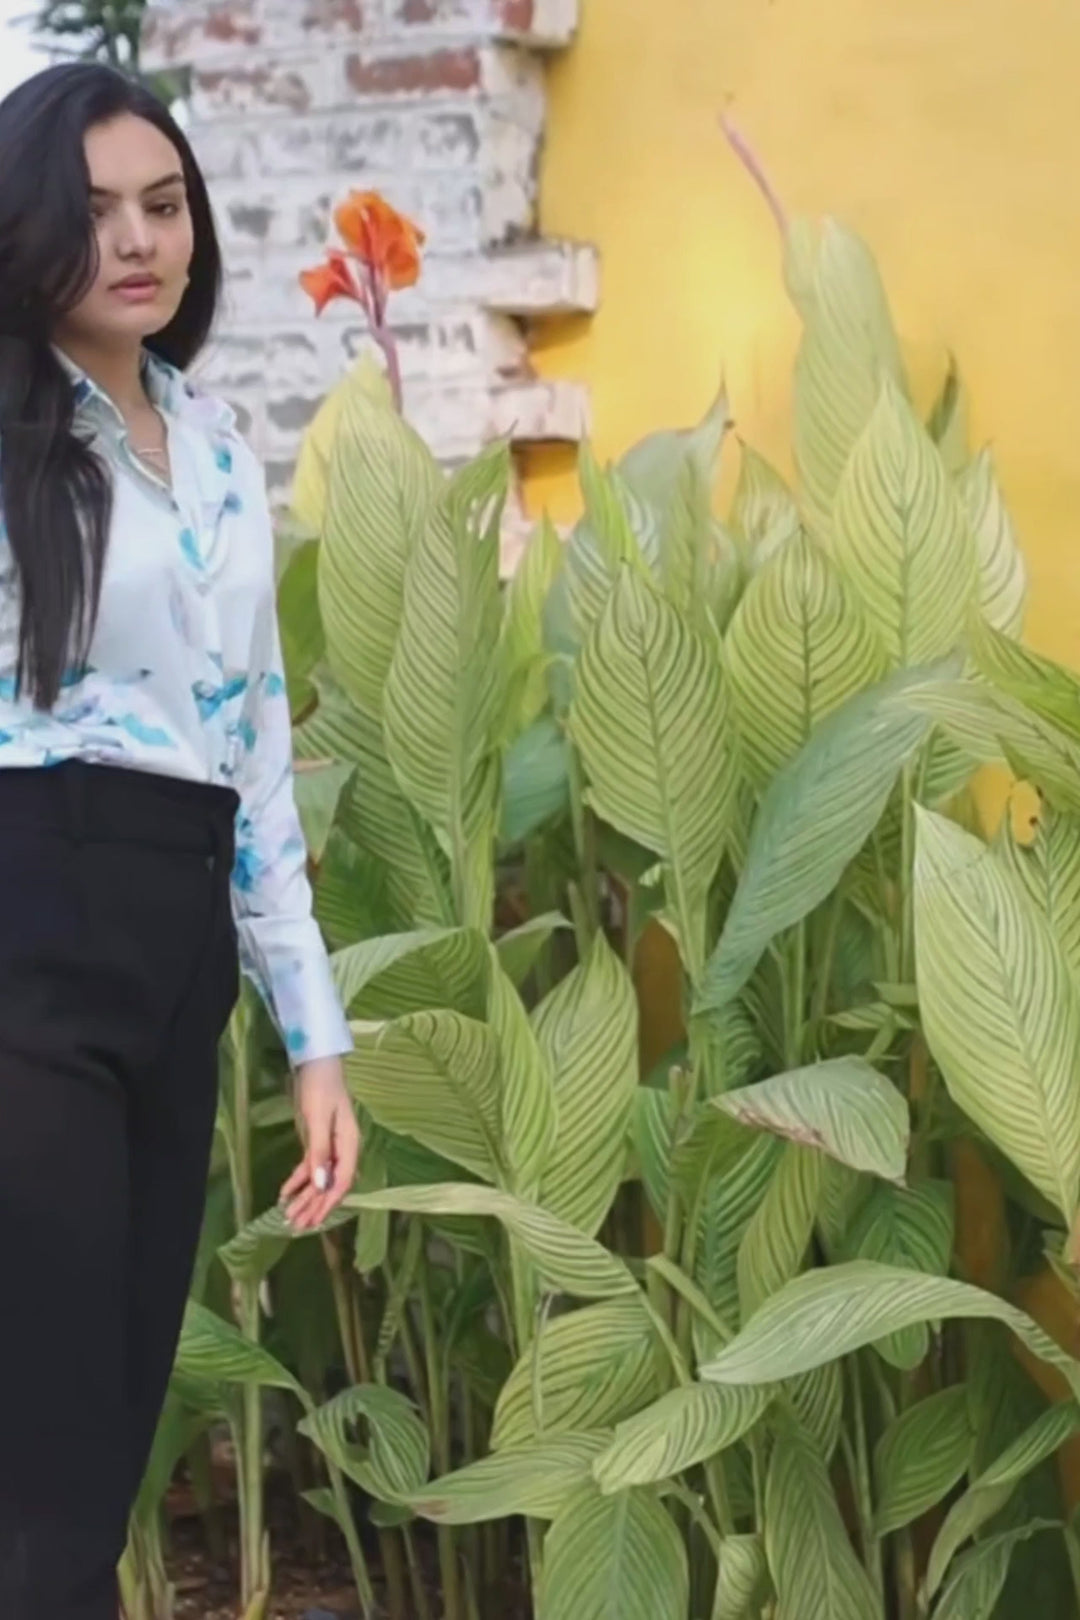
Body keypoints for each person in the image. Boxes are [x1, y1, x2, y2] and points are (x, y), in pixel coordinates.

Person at [0, 62, 361, 1619]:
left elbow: (257, 757)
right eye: (93, 215)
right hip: (26, 926)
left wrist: (314, 1037)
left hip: (175, 952)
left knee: (115, 1417)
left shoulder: (218, 448)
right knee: (50, 1440)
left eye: (166, 204)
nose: (140, 240)